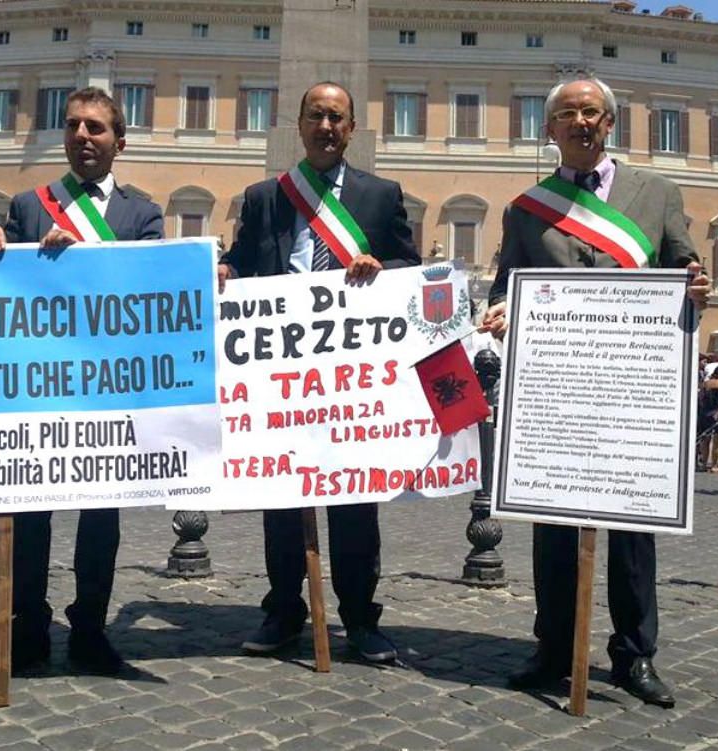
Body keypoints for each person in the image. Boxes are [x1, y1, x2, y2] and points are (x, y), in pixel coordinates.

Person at [481, 76, 711, 708]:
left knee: (633, 533)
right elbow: (507, 284)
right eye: (566, 114)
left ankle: (635, 655)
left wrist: (697, 288)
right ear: (549, 130)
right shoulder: (528, 208)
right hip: (557, 392)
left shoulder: (656, 192)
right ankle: (553, 648)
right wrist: (499, 310)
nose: (580, 122)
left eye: (591, 112)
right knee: (553, 526)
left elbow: (685, 265)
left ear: (609, 124)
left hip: (632, 389)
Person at [218, 81, 420, 663]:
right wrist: (227, 270)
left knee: (355, 501)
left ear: (351, 129)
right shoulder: (265, 198)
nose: (326, 127)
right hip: (283, 378)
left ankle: (360, 619)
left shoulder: (381, 196)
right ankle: (283, 612)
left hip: (352, 380)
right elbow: (243, 258)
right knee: (282, 501)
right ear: (299, 125)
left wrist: (382, 265)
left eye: (336, 118)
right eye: (316, 117)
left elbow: (409, 265)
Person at [0, 87, 163, 677]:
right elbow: (1, 293)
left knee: (100, 518)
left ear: (119, 142)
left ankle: (90, 631)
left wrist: (88, 255)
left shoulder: (143, 214)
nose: (83, 136)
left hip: (110, 387)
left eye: (97, 128)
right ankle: (27, 632)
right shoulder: (30, 204)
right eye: (74, 126)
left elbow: (154, 288)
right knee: (29, 514)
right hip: (38, 387)